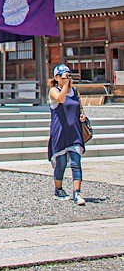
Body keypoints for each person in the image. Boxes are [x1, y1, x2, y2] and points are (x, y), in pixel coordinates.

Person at [48, 63, 88, 205]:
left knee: (76, 163)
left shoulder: (75, 91)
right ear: (56, 77)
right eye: (63, 75)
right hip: (60, 132)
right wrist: (65, 85)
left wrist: (83, 116)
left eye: (68, 75)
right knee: (62, 164)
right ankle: (58, 189)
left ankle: (77, 193)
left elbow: (79, 108)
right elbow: (60, 99)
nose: (67, 78)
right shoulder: (54, 90)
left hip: (74, 132)